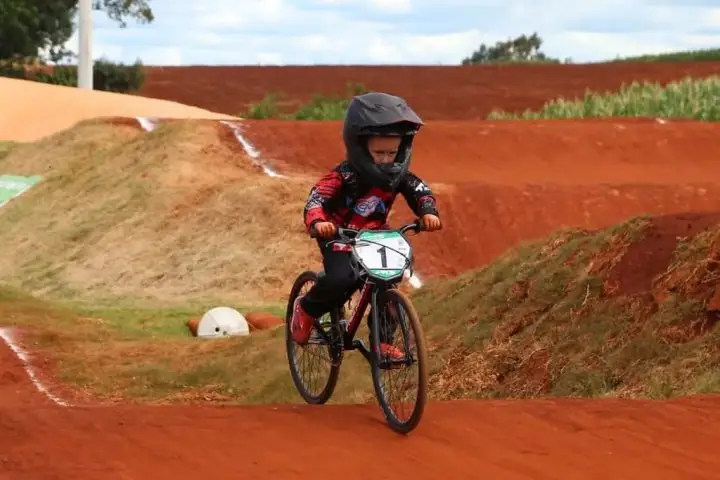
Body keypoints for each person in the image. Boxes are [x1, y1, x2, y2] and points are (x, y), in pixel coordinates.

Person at [290, 91, 442, 360]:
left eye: (392, 152)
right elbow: (317, 198)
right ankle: (308, 308)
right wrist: (319, 221)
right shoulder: (344, 175)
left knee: (387, 281)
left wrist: (428, 212)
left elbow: (421, 191)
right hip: (339, 233)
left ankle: (382, 342)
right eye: (378, 152)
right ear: (359, 146)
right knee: (342, 279)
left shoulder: (399, 176)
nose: (386, 158)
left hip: (375, 235)